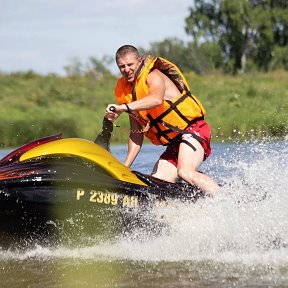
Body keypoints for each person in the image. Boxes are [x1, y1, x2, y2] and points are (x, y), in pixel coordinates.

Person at [105, 45, 219, 196]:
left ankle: (227, 199)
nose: (126, 69)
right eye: (122, 66)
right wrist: (124, 167)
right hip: (174, 144)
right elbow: (136, 134)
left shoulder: (153, 75)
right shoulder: (128, 93)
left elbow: (156, 99)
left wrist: (124, 107)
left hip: (193, 130)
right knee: (157, 186)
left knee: (185, 171)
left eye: (130, 64)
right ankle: (191, 204)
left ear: (139, 61)